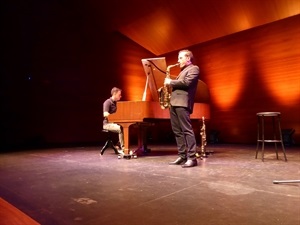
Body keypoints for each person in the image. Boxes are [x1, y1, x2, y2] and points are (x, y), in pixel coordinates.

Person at [164, 49, 199, 168]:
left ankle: (192, 158)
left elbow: (187, 83)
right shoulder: (182, 71)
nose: (178, 61)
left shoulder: (194, 68)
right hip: (174, 103)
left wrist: (170, 82)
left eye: (180, 58)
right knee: (177, 131)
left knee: (186, 130)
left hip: (183, 103)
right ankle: (182, 156)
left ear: (188, 58)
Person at [103, 87, 124, 154]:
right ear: (114, 94)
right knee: (121, 128)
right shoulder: (107, 102)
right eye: (119, 94)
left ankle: (118, 146)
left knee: (126, 127)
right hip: (107, 124)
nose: (120, 96)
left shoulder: (116, 103)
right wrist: (115, 118)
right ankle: (123, 148)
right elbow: (105, 114)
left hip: (115, 123)